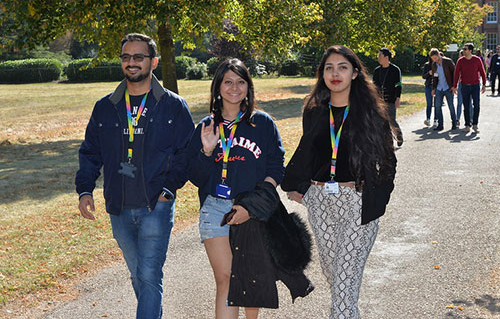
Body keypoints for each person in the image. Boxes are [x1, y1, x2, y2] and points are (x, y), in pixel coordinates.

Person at [75, 33, 194, 319]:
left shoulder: (173, 105)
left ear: (153, 62)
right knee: (138, 275)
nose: (131, 62)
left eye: (138, 57)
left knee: (149, 275)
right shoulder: (105, 107)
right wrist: (85, 189)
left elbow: (186, 154)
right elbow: (91, 151)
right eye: (126, 57)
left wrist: (168, 189)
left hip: (156, 203)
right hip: (119, 206)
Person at [282, 45, 397, 319]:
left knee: (344, 285)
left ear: (355, 73)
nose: (335, 73)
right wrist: (303, 189)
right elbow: (308, 151)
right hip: (320, 202)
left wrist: (375, 200)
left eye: (342, 67)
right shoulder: (313, 111)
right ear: (321, 74)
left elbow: (388, 163)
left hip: (357, 203)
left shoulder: (370, 113)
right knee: (338, 280)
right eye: (329, 68)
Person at [187, 58, 293, 319]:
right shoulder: (205, 127)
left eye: (240, 82)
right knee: (227, 279)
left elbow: (275, 167)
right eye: (228, 82)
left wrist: (256, 203)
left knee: (250, 277)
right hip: (215, 207)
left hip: (252, 207)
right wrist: (207, 150)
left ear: (249, 87)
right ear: (218, 87)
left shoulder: (263, 123)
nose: (234, 87)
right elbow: (196, 177)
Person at [453, 43, 487, 133]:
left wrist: (484, 84)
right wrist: (455, 86)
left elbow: (483, 72)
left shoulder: (477, 60)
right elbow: (456, 74)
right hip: (464, 86)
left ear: (470, 50)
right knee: (466, 106)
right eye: (463, 49)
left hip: (475, 86)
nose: (463, 50)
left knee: (476, 105)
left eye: (465, 49)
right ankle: (467, 125)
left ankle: (475, 124)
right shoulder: (460, 61)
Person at [373, 47, 403, 146]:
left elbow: (398, 85)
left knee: (391, 120)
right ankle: (387, 142)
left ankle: (399, 136)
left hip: (391, 99)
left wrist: (398, 99)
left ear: (386, 57)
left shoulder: (395, 70)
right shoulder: (377, 71)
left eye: (380, 55)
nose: (378, 57)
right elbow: (374, 86)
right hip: (380, 101)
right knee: (381, 122)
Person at [430, 48, 457, 131]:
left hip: (448, 87)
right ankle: (440, 125)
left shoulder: (448, 61)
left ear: (438, 55)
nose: (434, 60)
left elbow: (455, 73)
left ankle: (454, 124)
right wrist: (433, 88)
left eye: (435, 58)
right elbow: (434, 77)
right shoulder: (434, 65)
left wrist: (454, 86)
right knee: (437, 107)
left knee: (451, 106)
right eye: (432, 59)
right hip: (439, 88)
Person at [422, 55, 437, 127]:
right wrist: (429, 73)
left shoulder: (439, 64)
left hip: (437, 87)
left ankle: (435, 120)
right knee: (429, 103)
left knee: (437, 104)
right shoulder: (427, 65)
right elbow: (423, 76)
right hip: (428, 86)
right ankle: (428, 119)